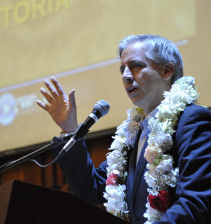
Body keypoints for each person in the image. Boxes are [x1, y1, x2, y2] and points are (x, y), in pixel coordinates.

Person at [36, 34, 211, 224]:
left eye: (136, 66)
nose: (126, 76)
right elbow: (91, 188)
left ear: (167, 70)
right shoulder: (132, 133)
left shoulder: (192, 120)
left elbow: (196, 202)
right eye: (122, 69)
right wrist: (70, 129)